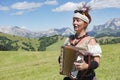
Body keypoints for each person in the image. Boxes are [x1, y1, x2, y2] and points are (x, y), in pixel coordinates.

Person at [60, 3, 102, 80]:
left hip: (87, 77)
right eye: (73, 20)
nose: (74, 23)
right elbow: (63, 58)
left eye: (78, 21)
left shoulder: (90, 40)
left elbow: (97, 62)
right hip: (71, 77)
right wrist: (62, 59)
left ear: (85, 24)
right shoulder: (69, 39)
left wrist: (86, 66)